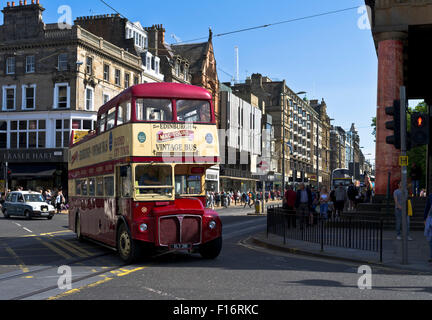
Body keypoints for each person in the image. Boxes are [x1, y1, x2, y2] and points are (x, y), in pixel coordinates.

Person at [423, 192, 432, 263]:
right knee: (430, 239)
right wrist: (425, 218)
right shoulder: (431, 196)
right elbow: (427, 207)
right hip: (431, 219)